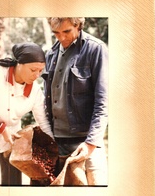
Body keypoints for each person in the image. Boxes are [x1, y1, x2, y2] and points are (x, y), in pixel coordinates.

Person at [43, 17, 108, 185]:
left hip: (87, 142)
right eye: (56, 33)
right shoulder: (51, 53)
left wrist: (91, 143)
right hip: (57, 143)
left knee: (97, 187)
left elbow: (103, 101)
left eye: (66, 32)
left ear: (78, 25)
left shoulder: (96, 49)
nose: (61, 38)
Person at [0, 42, 54, 186]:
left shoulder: (35, 91)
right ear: (20, 64)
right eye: (33, 70)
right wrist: (0, 128)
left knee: (13, 184)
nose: (37, 75)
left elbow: (44, 121)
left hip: (13, 138)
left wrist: (53, 145)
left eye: (40, 71)